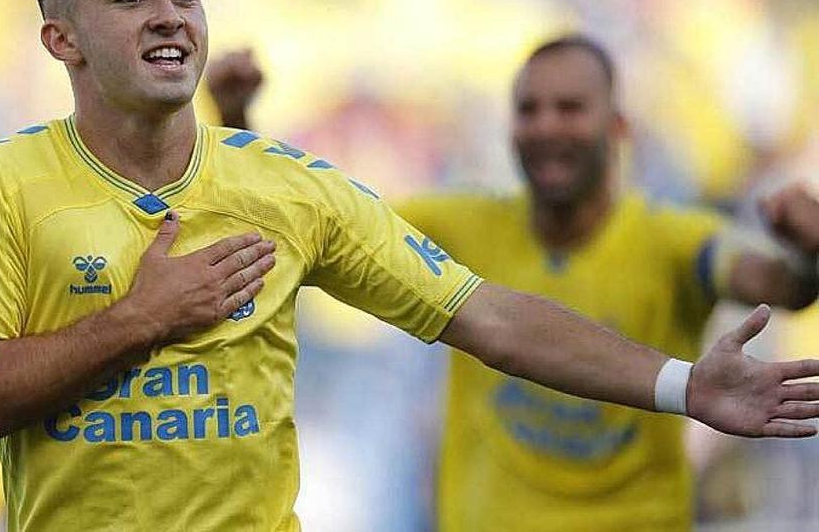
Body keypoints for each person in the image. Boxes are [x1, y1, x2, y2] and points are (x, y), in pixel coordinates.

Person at [0, 0, 819, 532]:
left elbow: (487, 316)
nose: (169, 15)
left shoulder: (292, 188)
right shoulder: (2, 184)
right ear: (62, 39)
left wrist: (681, 384)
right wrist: (141, 317)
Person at [207, 35, 819, 530]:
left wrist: (808, 251)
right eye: (529, 109)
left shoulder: (675, 239)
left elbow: (781, 283)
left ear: (619, 129)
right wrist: (237, 120)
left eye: (570, 108)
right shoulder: (463, 224)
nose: (547, 126)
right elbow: (324, 225)